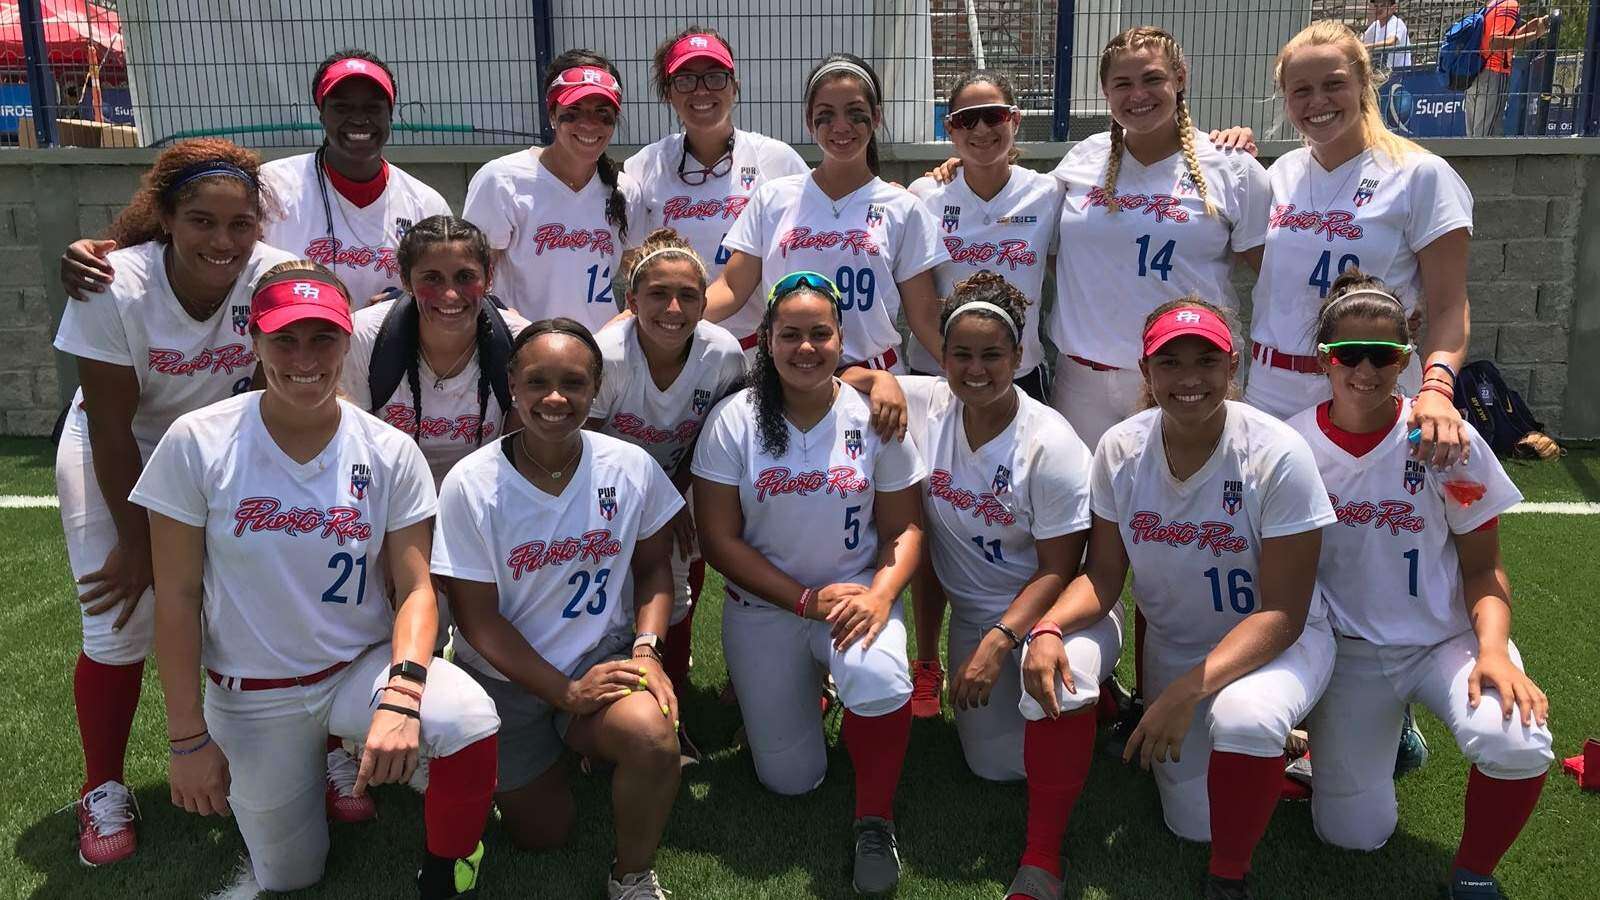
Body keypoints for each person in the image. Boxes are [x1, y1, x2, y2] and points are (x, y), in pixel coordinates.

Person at [129, 262, 500, 897]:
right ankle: (339, 760)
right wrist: (187, 739)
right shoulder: (198, 441)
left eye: (323, 338)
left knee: (467, 719)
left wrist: (404, 693)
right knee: (292, 877)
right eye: (285, 339)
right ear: (254, 341)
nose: (304, 359)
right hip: (255, 694)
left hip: (358, 668)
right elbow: (179, 598)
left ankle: (446, 869)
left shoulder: (388, 449)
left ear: (347, 342)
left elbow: (415, 588)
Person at [1022, 299, 1337, 900]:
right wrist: (1048, 628)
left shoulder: (1276, 452)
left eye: (1206, 361)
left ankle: (1229, 877)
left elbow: (1284, 613)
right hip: (1177, 644)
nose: (1189, 377)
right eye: (1170, 362)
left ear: (1232, 366)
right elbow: (1104, 576)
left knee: (1247, 719)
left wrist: (1183, 692)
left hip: (1277, 645)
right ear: (1146, 370)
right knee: (1192, 821)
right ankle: (1259, 761)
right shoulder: (1120, 448)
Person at [50, 139, 294, 866]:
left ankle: (263, 754)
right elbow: (111, 425)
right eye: (201, 221)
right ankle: (102, 786)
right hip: (118, 440)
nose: (223, 241)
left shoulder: (274, 275)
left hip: (215, 449)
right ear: (165, 218)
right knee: (118, 618)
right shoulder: (115, 283)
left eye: (240, 224)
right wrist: (138, 545)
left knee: (245, 605)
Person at [1285, 272, 1552, 900]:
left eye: (1383, 356)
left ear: (1407, 359)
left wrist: (1493, 651)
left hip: (1444, 640)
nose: (1365, 370)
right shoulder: (1291, 446)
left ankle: (1473, 872)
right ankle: (1387, 735)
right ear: (1323, 359)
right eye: (1348, 354)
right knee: (1352, 834)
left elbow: (1483, 567)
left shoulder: (1447, 441)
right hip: (1350, 653)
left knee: (1514, 739)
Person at [692, 271, 927, 895]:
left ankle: (875, 820)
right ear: (766, 340)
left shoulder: (872, 415)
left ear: (841, 339)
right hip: (766, 608)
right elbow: (718, 540)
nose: (805, 347)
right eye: (790, 334)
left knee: (879, 678)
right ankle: (811, 695)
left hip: (853, 597)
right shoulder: (735, 420)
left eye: (820, 333)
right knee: (791, 780)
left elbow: (904, 529)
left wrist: (881, 596)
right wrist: (802, 600)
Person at [435, 319, 685, 900]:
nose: (555, 398)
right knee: (544, 834)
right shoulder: (471, 483)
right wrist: (565, 694)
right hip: (504, 678)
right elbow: (476, 618)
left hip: (600, 656)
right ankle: (547, 747)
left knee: (651, 739)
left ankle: (632, 877)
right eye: (537, 382)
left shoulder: (629, 465)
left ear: (596, 388)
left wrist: (647, 650)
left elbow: (654, 569)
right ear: (512, 386)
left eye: (573, 383)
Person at [61, 49, 451, 307]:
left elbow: (447, 284)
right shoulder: (273, 186)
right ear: (321, 114)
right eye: (342, 107)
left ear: (390, 114)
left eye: (373, 107)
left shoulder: (425, 203)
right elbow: (182, 233)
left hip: (382, 365)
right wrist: (99, 256)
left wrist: (405, 303)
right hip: (286, 360)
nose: (359, 119)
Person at [1261, 21, 1474, 471]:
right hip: (1272, 392)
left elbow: (1450, 306)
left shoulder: (1420, 175)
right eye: (1301, 90)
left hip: (1368, 387)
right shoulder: (1278, 174)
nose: (1317, 101)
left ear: (1363, 82)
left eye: (1333, 84)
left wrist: (1437, 388)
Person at [1049, 26, 1269, 453]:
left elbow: (1273, 274)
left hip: (1187, 377)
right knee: (1090, 494)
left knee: (1186, 493)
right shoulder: (1082, 158)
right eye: (1123, 84)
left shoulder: (1232, 166)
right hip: (1083, 380)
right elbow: (1047, 247)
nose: (1138, 95)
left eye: (1152, 79)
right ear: (1105, 92)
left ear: (1180, 78)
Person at [587, 228, 747, 761]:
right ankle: (594, 713)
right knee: (606, 594)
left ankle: (668, 710)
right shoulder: (608, 355)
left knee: (676, 590)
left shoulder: (722, 353)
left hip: (682, 477)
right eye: (658, 294)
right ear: (632, 301)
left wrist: (674, 497)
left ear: (705, 302)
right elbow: (582, 444)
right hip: (603, 485)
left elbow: (716, 434)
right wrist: (652, 500)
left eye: (688, 296)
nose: (673, 309)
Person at [705, 53, 948, 375]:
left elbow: (924, 318)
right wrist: (666, 318)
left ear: (876, 117)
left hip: (875, 382)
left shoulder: (903, 208)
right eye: (826, 114)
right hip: (789, 381)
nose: (841, 126)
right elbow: (732, 288)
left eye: (855, 113)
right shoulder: (772, 198)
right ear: (809, 122)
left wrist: (972, 374)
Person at [624, 27, 810, 356]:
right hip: (669, 348)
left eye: (714, 77)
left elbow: (827, 208)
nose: (701, 90)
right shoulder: (644, 166)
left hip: (753, 350)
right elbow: (632, 260)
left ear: (734, 86)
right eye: (685, 80)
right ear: (668, 93)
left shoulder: (777, 161)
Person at [341, 214, 529, 488]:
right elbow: (357, 448)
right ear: (406, 280)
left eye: (465, 277)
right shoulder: (363, 337)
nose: (450, 295)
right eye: (432, 278)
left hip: (483, 493)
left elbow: (516, 455)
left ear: (489, 277)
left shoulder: (520, 343)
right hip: (392, 492)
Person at [464, 50, 645, 329]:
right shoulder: (502, 180)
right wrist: (517, 329)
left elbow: (642, 279)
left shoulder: (625, 191)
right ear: (552, 114)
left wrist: (620, 327)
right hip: (523, 344)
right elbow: (470, 278)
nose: (589, 124)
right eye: (574, 111)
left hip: (599, 347)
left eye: (602, 113)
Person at [1466, 2, 1551, 137]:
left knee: (1474, 135)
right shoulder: (1510, 4)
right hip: (1493, 74)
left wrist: (1530, 27)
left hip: (1477, 73)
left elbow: (1506, 38)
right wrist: (1535, 35)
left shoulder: (1494, 4)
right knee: (1486, 136)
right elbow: (1496, 42)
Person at [1362, 1, 1413, 70]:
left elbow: (1390, 42)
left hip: (1400, 71)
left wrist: (1366, 47)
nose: (1378, 9)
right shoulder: (1376, 25)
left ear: (1393, 8)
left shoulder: (1397, 22)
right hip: (1384, 71)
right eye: (1376, 6)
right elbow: (1361, 41)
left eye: (1383, 5)